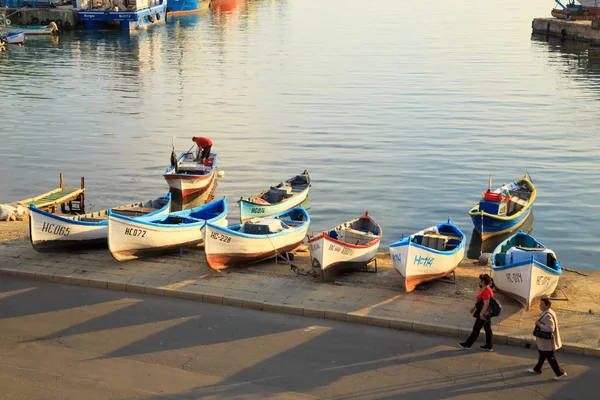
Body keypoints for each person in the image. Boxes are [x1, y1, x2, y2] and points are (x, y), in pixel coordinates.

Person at [528, 298, 567, 380]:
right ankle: (537, 369)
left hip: (547, 342)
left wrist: (539, 324)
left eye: (542, 304)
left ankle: (560, 373)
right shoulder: (548, 312)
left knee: (549, 357)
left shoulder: (548, 315)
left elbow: (550, 329)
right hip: (544, 342)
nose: (540, 305)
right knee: (542, 354)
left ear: (547, 305)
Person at [459, 273, 494, 351]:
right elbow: (480, 301)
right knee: (488, 329)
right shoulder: (488, 289)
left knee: (476, 329)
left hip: (484, 313)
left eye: (481, 280)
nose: (480, 282)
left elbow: (486, 303)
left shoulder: (486, 291)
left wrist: (481, 314)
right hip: (488, 313)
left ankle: (468, 344)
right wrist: (473, 308)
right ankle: (489, 345)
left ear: (483, 282)